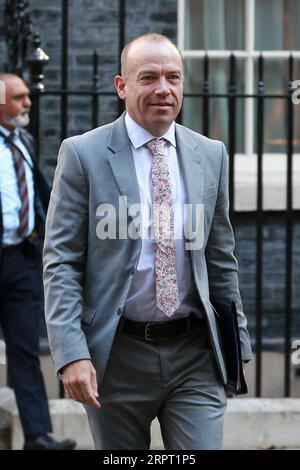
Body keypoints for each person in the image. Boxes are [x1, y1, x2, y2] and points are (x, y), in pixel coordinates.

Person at [43, 34, 252, 450]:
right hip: (117, 356)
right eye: (149, 77)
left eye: (173, 77)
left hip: (196, 355)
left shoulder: (210, 154)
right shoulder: (83, 155)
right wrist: (71, 352)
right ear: (122, 86)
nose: (164, 89)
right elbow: (61, 262)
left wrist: (236, 343)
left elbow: (220, 258)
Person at [0, 73, 76, 450]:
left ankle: (38, 437)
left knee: (25, 348)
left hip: (20, 260)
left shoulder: (23, 142)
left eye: (27, 96)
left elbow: (40, 191)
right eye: (18, 97)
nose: (27, 103)